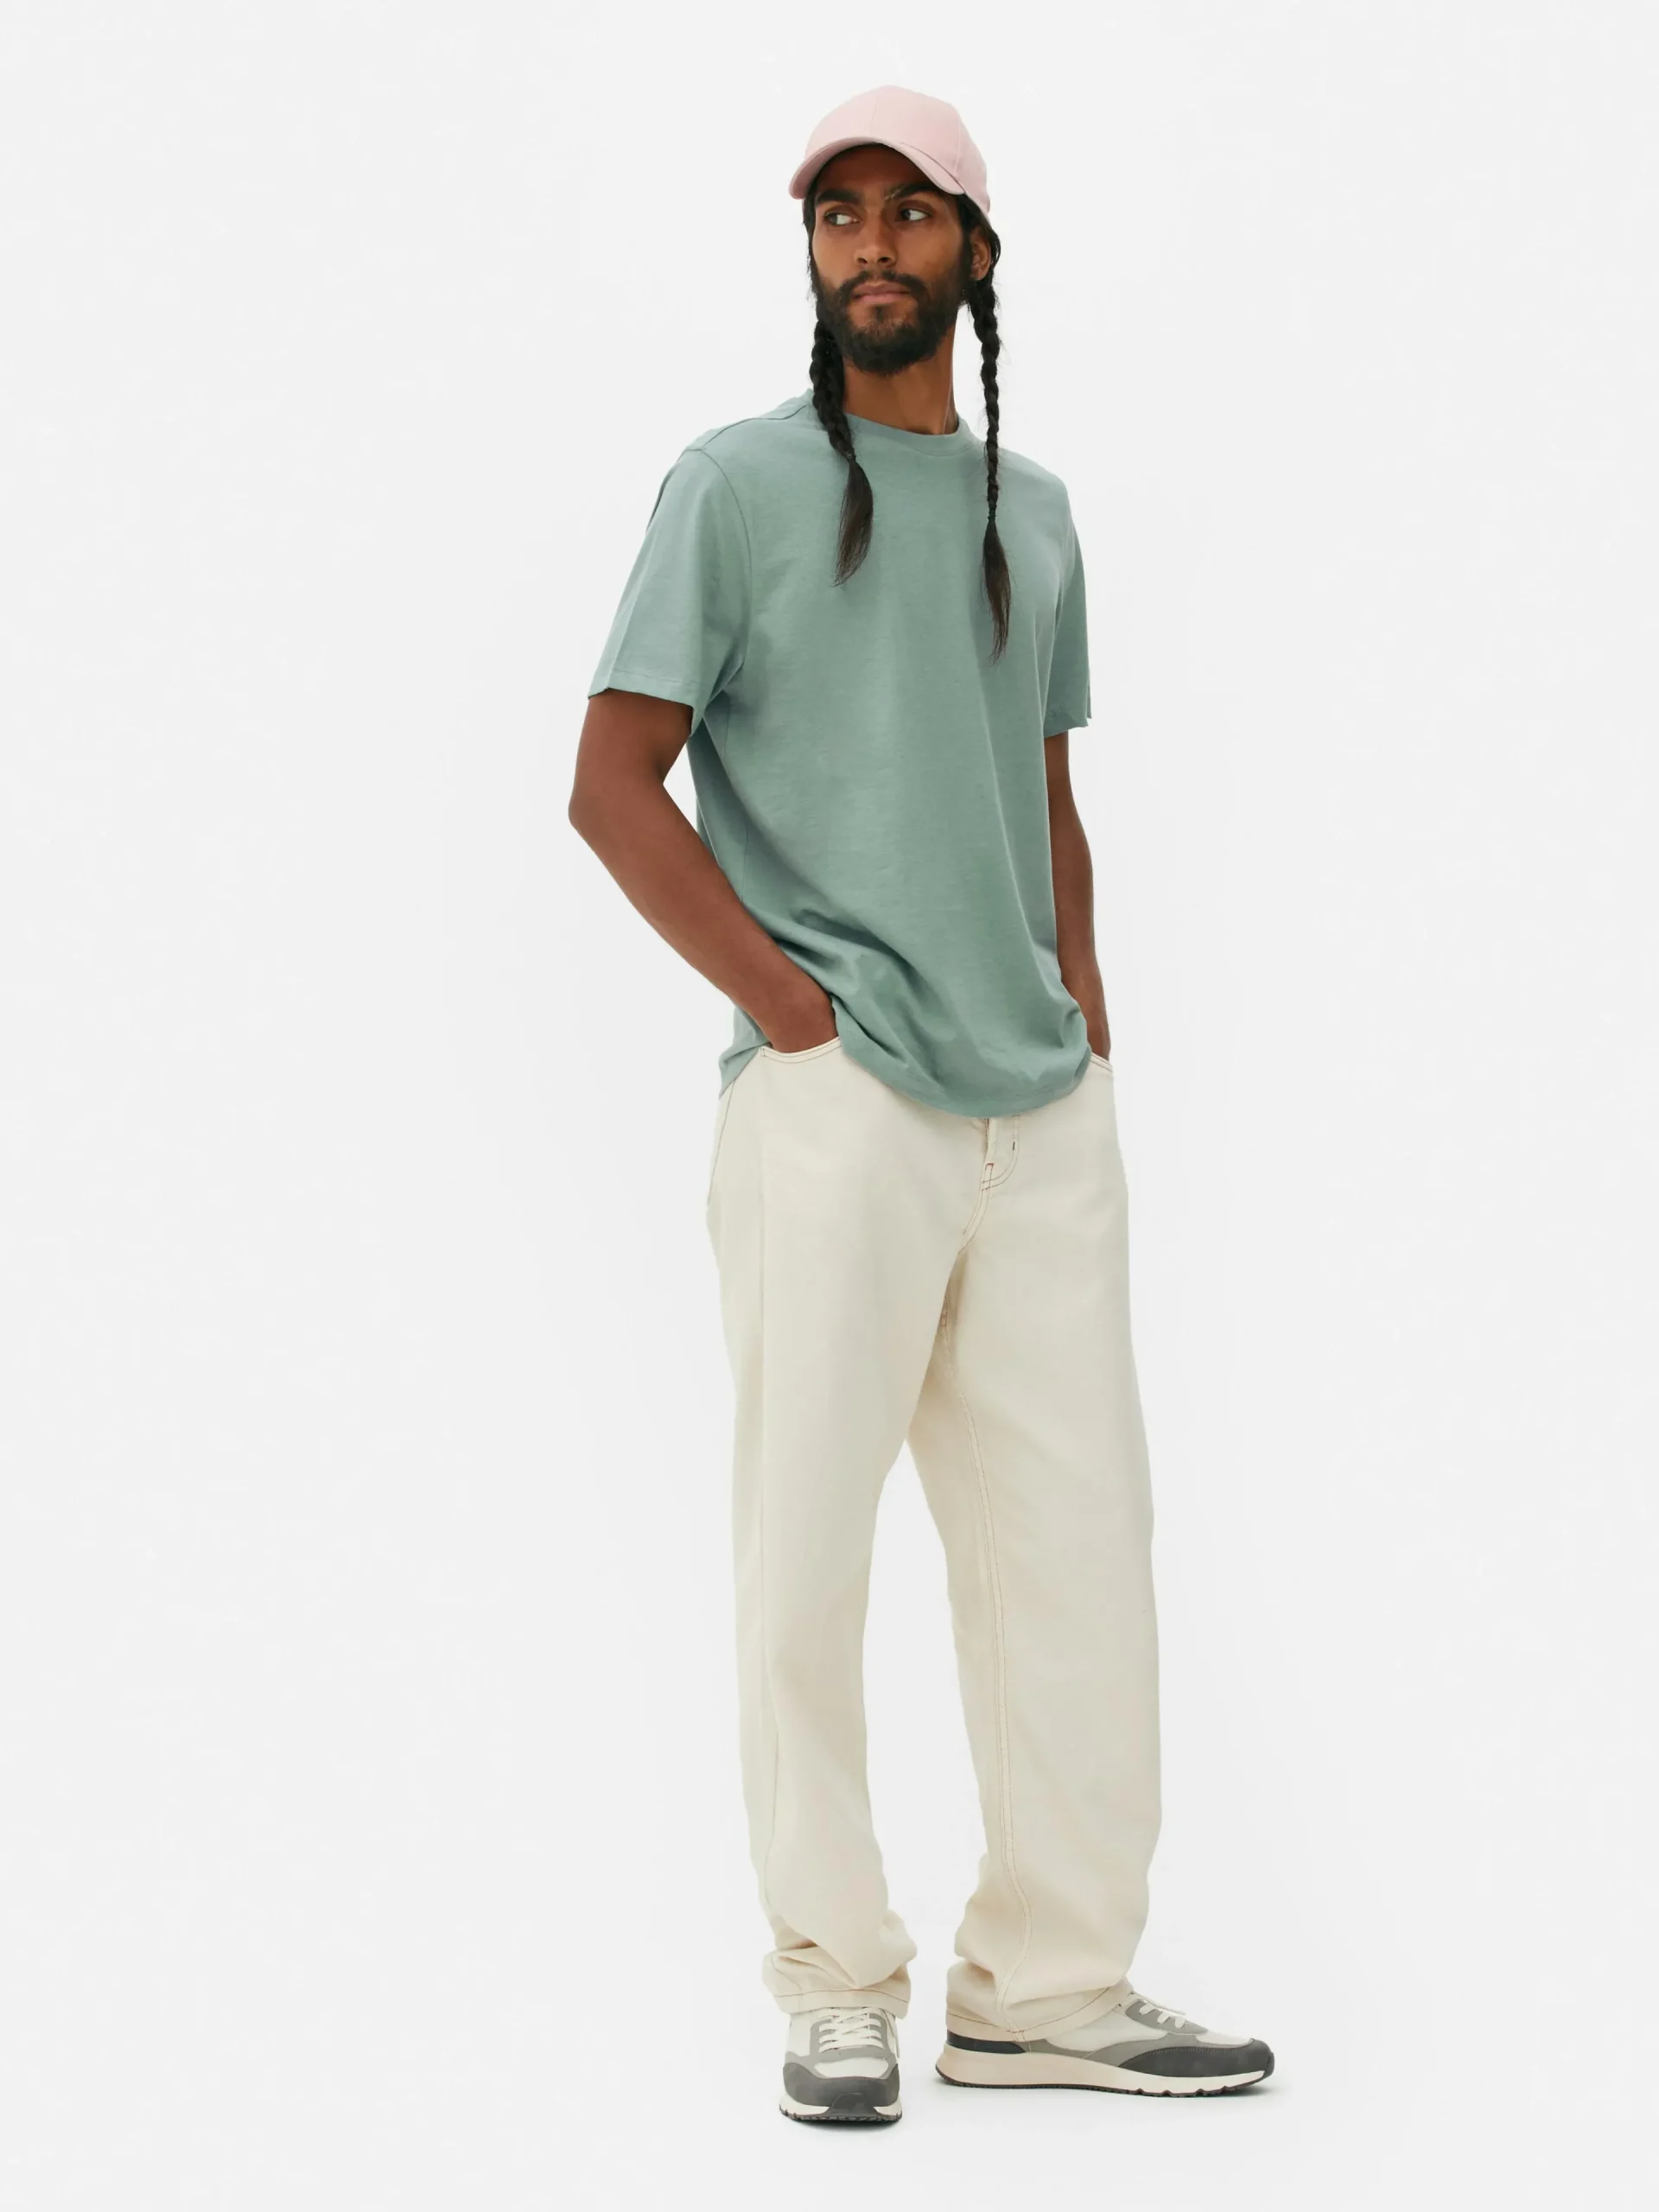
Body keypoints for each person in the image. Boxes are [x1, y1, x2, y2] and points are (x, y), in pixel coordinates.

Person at [568, 84, 1273, 2126]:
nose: (871, 247)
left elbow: (1040, 787)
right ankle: (833, 1973)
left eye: (909, 212)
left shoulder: (1032, 509)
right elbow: (610, 782)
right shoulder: (732, 486)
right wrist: (790, 1010)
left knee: (1080, 1552)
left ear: (976, 246)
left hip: (1036, 1111)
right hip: (840, 1101)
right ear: (812, 253)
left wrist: (1088, 1024)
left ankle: (1048, 1982)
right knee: (804, 1550)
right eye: (837, 217)